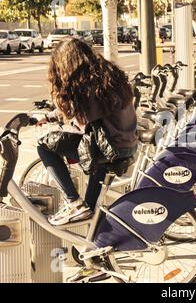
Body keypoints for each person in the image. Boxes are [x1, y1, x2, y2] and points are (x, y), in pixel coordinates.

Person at [37, 37, 138, 226]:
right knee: (91, 213)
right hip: (125, 143)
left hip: (108, 147)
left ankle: (73, 201)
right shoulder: (107, 74)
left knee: (44, 146)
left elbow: (81, 124)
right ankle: (93, 247)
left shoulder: (87, 85)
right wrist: (51, 117)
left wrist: (56, 127)